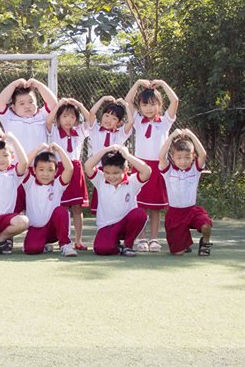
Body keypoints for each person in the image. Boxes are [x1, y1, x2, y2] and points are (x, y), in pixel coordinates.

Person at [125, 78, 179, 252]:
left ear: (159, 105)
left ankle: (154, 239)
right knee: (139, 204)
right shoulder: (138, 121)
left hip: (158, 167)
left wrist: (162, 84)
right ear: (140, 106)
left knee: (156, 207)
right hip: (140, 166)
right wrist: (137, 83)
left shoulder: (165, 122)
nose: (148, 108)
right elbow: (127, 101)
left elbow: (175, 101)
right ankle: (141, 239)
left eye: (153, 104)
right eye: (145, 104)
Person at [85, 144, 152, 256]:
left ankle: (127, 246)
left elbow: (147, 171)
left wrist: (127, 156)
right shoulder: (100, 180)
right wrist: (106, 150)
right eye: (107, 172)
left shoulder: (132, 182)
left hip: (126, 225)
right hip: (106, 226)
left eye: (116, 173)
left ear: (125, 170)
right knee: (101, 249)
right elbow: (88, 166)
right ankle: (118, 247)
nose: (111, 177)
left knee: (140, 214)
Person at [46, 97, 93, 250]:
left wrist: (79, 104)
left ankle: (78, 240)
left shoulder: (79, 131)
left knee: (77, 208)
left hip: (76, 170)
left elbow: (90, 119)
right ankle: (63, 240)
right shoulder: (54, 131)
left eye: (72, 116)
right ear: (58, 118)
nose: (68, 120)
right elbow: (48, 121)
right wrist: (59, 104)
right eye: (64, 116)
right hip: (60, 170)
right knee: (61, 207)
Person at [159, 129, 213, 256]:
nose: (183, 161)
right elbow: (161, 156)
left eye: (187, 157)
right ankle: (184, 243)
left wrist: (191, 135)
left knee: (206, 226)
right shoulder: (169, 171)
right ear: (172, 157)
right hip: (175, 214)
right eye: (179, 158)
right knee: (178, 253)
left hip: (192, 211)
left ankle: (205, 242)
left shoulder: (195, 170)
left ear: (193, 156)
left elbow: (203, 154)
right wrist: (172, 136)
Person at [21, 143, 76, 257]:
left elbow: (69, 169)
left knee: (61, 211)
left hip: (53, 229)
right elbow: (23, 165)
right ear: (34, 170)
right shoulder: (29, 183)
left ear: (56, 172)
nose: (45, 174)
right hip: (36, 228)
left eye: (50, 170)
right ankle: (44, 246)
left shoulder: (58, 184)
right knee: (31, 249)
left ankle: (65, 245)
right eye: (41, 170)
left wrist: (59, 149)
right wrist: (38, 149)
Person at [0, 77, 57, 155]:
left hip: (39, 162)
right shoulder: (8, 118)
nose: (27, 106)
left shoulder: (42, 116)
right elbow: (0, 103)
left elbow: (53, 103)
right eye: (22, 103)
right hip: (16, 162)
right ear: (13, 107)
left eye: (31, 102)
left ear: (36, 103)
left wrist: (38, 85)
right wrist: (14, 84)